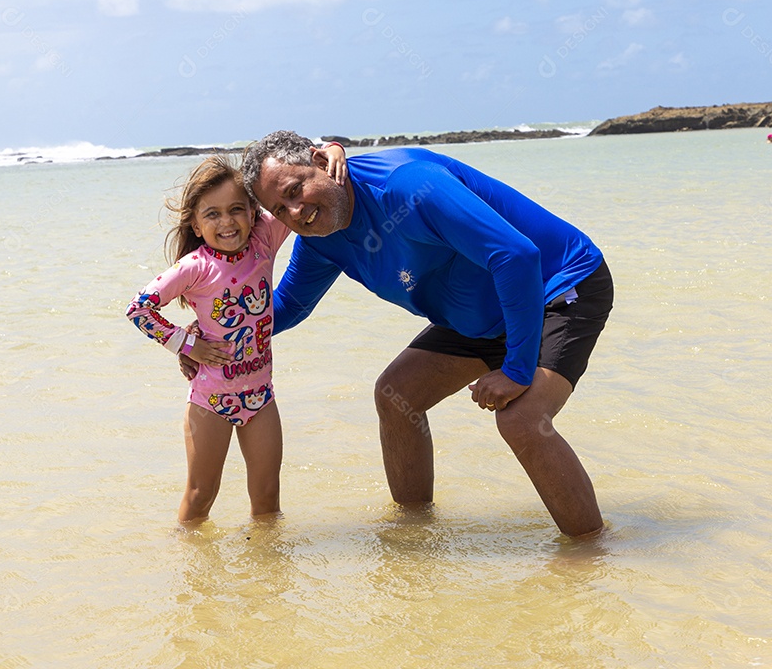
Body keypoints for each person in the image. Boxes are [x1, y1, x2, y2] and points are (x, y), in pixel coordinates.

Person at [237, 130, 613, 537]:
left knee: (521, 419)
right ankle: (415, 535)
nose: (296, 211)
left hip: (554, 286)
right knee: (397, 396)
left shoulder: (408, 187)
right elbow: (286, 307)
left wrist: (518, 371)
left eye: (296, 189)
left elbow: (516, 257)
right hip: (480, 317)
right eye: (280, 208)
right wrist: (214, 332)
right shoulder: (322, 241)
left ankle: (591, 557)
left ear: (319, 161)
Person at [127, 148, 346, 523]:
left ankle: (265, 575)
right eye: (212, 214)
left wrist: (333, 151)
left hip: (261, 397)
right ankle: (193, 574)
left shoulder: (264, 240)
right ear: (196, 225)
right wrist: (188, 345)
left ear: (251, 211)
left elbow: (294, 190)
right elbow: (139, 309)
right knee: (200, 496)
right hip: (210, 401)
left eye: (236, 209)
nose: (227, 222)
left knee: (267, 498)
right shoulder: (194, 267)